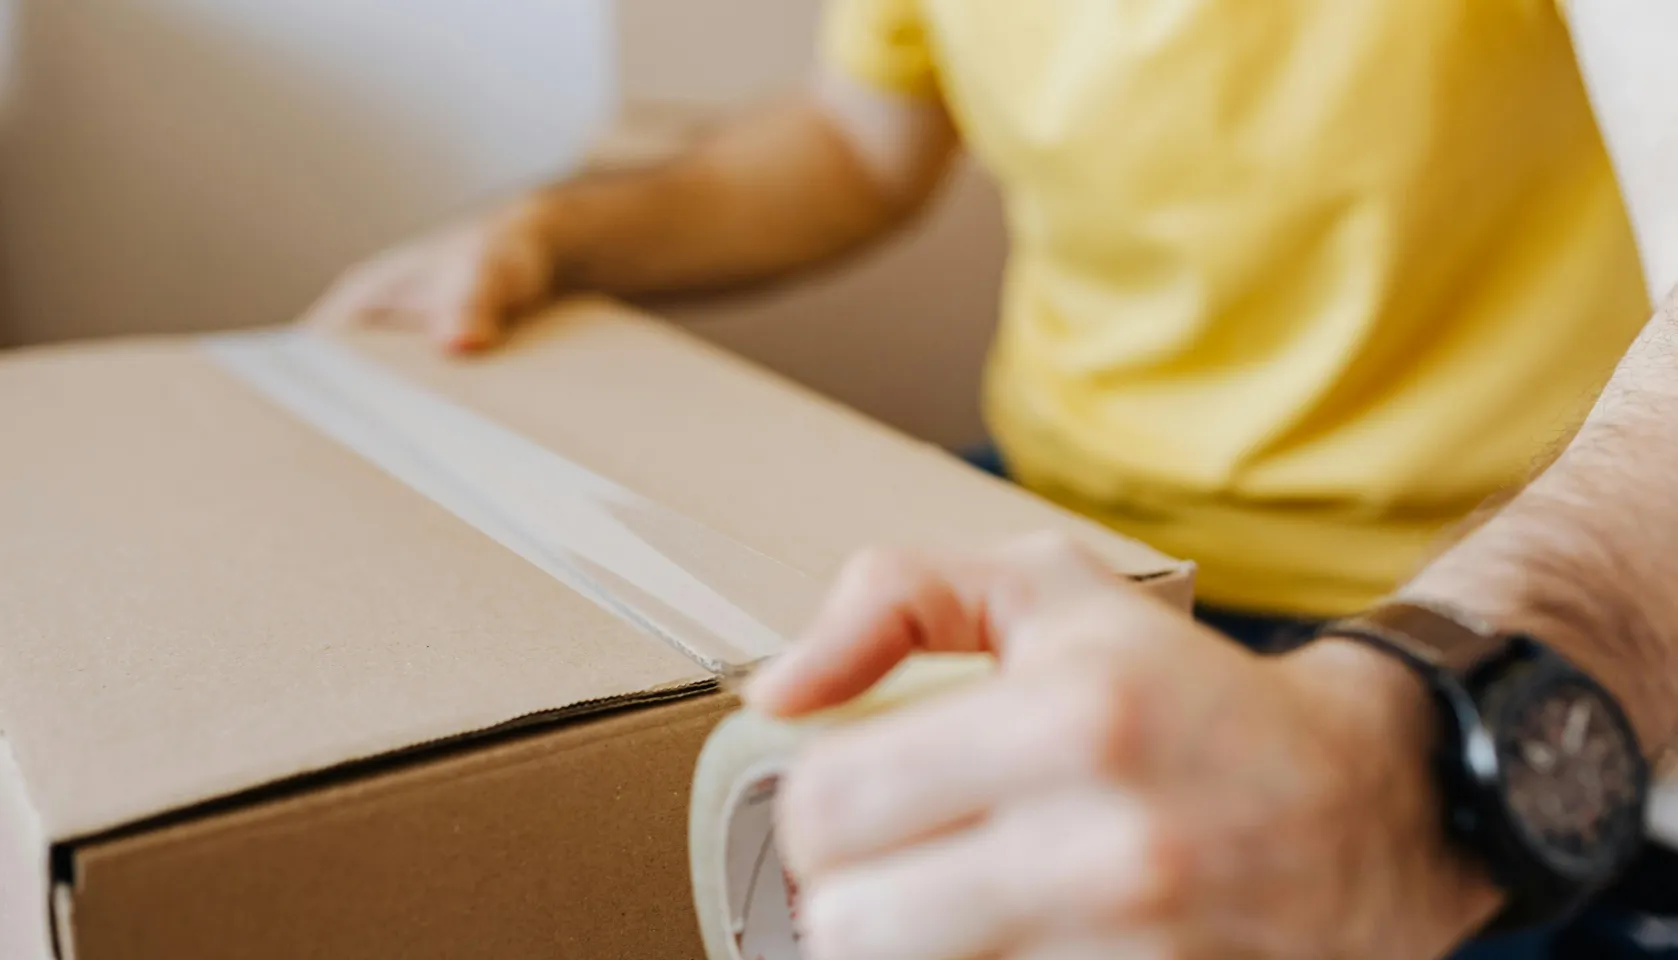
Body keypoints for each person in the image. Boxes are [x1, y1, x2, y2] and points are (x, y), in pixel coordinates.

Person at [312, 1, 1677, 955]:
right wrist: (553, 233)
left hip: (1471, 606)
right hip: (1047, 525)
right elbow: (856, 142)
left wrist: (1402, 763)